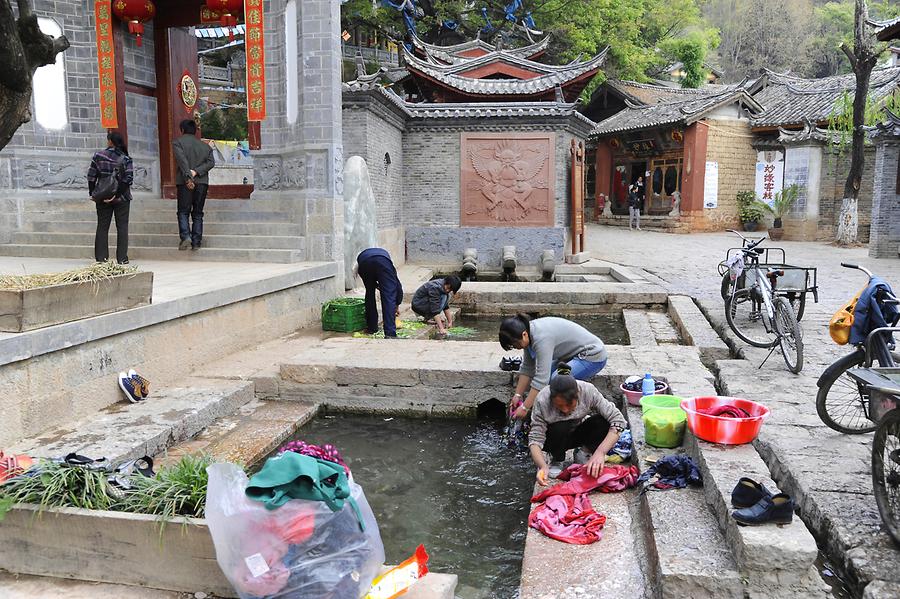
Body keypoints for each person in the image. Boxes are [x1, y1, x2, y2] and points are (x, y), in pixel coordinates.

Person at [529, 363, 626, 485]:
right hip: (554, 438)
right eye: (559, 406)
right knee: (561, 426)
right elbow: (535, 440)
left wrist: (600, 453)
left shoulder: (588, 391)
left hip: (576, 432)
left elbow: (618, 420)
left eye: (569, 405)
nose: (565, 410)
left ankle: (584, 452)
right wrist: (543, 466)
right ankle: (557, 459)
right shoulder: (542, 400)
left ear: (578, 395)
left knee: (603, 421)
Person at [499, 314, 608, 420]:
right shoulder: (528, 332)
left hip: (592, 356)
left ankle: (573, 414)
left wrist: (525, 407)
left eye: (515, 344)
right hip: (569, 356)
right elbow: (527, 368)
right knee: (547, 379)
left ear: (524, 334)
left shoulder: (541, 338)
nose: (516, 347)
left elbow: (542, 379)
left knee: (557, 378)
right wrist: (517, 395)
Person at [87, 131, 133, 264]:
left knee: (102, 226)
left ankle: (101, 258)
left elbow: (91, 176)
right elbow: (128, 179)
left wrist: (93, 193)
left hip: (102, 196)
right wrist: (116, 195)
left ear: (110, 141)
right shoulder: (126, 159)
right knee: (122, 227)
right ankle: (122, 258)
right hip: (122, 198)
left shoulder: (98, 156)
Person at [172, 119, 215, 251]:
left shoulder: (178, 143)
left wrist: (188, 177)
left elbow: (182, 161)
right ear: (195, 131)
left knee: (183, 211)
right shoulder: (206, 147)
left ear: (182, 130)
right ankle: (196, 242)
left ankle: (185, 236)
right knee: (197, 213)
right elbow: (211, 163)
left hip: (185, 182)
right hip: (201, 182)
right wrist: (196, 172)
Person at [355, 248, 403, 338]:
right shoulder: (387, 263)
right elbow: (398, 287)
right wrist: (397, 304)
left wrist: (376, 285)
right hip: (382, 262)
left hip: (364, 262)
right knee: (388, 296)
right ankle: (390, 333)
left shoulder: (369, 254)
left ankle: (372, 327)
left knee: (369, 293)